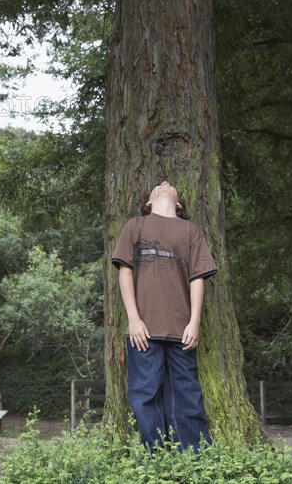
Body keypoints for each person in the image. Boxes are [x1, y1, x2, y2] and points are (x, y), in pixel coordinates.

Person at [111, 180, 218, 453]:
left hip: (182, 331)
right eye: (159, 184)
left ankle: (193, 457)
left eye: (169, 185)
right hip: (143, 330)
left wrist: (194, 323)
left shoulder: (190, 230)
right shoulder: (135, 225)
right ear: (148, 202)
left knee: (186, 395)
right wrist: (133, 319)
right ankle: (157, 456)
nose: (165, 182)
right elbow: (125, 273)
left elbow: (197, 279)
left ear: (179, 204)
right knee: (145, 395)